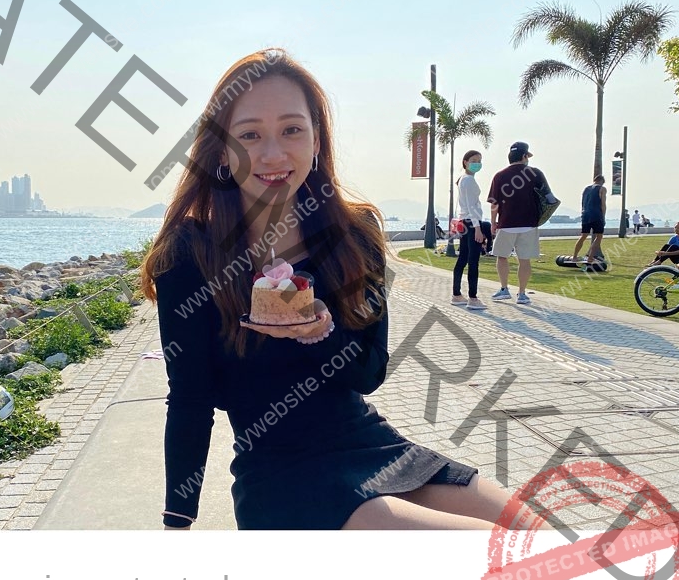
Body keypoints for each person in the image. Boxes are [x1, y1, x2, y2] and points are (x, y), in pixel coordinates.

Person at [142, 49, 534, 531]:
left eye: (291, 129)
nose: (271, 153)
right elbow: (189, 399)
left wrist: (320, 331)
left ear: (316, 138)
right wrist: (177, 524)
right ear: (222, 150)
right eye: (249, 135)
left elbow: (370, 373)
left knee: (531, 533)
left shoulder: (355, 235)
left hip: (374, 444)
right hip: (281, 472)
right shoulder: (191, 251)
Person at [486, 141, 551, 305]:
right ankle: (522, 293)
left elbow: (494, 204)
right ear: (524, 156)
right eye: (527, 156)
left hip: (506, 223)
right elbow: (549, 198)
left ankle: (504, 289)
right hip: (529, 223)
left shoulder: (499, 176)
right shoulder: (535, 173)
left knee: (502, 257)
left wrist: (493, 223)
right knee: (524, 259)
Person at [451, 150, 487, 310]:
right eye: (474, 160)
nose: (477, 163)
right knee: (473, 261)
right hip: (472, 223)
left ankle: (457, 294)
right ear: (465, 162)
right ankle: (473, 298)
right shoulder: (468, 181)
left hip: (465, 222)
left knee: (463, 259)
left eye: (479, 160)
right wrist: (478, 229)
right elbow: (472, 207)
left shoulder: (464, 180)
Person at [571, 175, 606, 271]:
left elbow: (583, 203)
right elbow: (603, 204)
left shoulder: (586, 189)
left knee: (583, 235)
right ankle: (590, 257)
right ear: (602, 181)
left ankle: (574, 256)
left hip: (585, 214)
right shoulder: (602, 189)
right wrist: (603, 217)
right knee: (599, 236)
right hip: (596, 214)